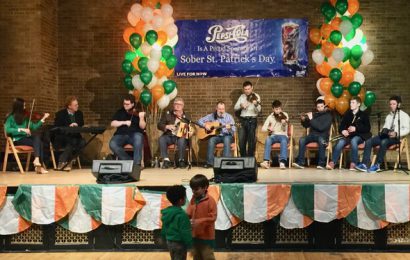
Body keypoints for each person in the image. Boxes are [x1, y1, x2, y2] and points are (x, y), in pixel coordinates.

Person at [356, 96, 410, 173]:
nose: (391, 106)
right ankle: (365, 164)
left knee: (384, 141)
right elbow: (385, 127)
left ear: (399, 105)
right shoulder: (389, 116)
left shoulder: (404, 116)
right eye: (390, 104)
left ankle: (377, 165)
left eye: (394, 104)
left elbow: (407, 129)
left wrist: (397, 133)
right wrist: (383, 130)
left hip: (396, 138)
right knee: (369, 141)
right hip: (386, 136)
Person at [4, 98, 50, 174]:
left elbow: (34, 127)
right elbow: (8, 129)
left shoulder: (25, 117)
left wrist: (43, 118)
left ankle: (37, 160)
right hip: (18, 139)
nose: (25, 107)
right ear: (19, 106)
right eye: (24, 105)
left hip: (26, 138)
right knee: (40, 143)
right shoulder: (10, 117)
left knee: (37, 138)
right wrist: (21, 129)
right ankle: (39, 167)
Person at [326, 96, 371, 170]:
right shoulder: (347, 114)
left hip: (359, 135)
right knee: (340, 142)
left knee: (354, 141)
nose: (351, 104)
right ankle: (333, 162)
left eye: (353, 103)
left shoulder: (364, 115)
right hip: (348, 136)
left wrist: (356, 128)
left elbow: (367, 128)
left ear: (358, 104)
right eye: (350, 102)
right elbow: (341, 127)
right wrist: (343, 131)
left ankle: (354, 163)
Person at [292, 99, 332, 169]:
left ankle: (321, 164)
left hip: (323, 136)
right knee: (302, 140)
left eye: (321, 106)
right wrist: (303, 120)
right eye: (318, 107)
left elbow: (321, 128)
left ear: (324, 106)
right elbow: (307, 125)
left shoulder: (328, 116)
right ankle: (300, 163)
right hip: (312, 135)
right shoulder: (315, 115)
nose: (320, 108)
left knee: (321, 140)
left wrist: (311, 119)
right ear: (316, 107)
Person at [109, 95, 146, 168]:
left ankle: (137, 164)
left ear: (132, 104)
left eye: (127, 104)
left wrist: (141, 118)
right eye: (124, 104)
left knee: (138, 138)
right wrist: (124, 122)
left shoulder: (137, 112)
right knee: (112, 144)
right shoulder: (120, 112)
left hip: (134, 134)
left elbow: (143, 127)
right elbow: (112, 123)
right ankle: (129, 161)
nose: (125, 106)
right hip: (120, 135)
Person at [186, 174, 217, 260]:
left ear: (205, 187)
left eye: (196, 189)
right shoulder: (193, 199)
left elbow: (213, 218)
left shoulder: (211, 201)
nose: (194, 192)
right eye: (192, 189)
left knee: (207, 257)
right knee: (196, 257)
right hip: (195, 236)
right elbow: (189, 212)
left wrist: (199, 221)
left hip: (207, 237)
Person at [197, 101, 236, 168]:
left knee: (226, 139)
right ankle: (210, 162)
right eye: (220, 109)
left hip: (227, 136)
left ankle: (225, 162)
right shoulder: (211, 116)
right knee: (211, 140)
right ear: (216, 108)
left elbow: (233, 130)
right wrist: (205, 125)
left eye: (223, 109)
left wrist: (229, 129)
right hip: (217, 136)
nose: (221, 111)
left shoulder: (229, 117)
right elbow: (199, 121)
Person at [53, 96, 86, 171]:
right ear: (69, 106)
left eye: (77, 104)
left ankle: (70, 159)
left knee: (83, 142)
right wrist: (68, 126)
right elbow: (57, 126)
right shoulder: (60, 114)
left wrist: (77, 124)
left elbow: (81, 123)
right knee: (73, 141)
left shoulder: (79, 113)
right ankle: (62, 162)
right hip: (63, 137)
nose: (77, 106)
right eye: (75, 105)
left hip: (75, 136)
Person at [158, 97, 192, 169]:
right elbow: (159, 125)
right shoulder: (167, 114)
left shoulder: (186, 116)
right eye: (176, 104)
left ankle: (181, 160)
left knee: (182, 140)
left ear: (183, 106)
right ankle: (166, 160)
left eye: (180, 104)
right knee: (162, 139)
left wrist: (190, 131)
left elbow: (192, 127)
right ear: (173, 105)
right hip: (169, 136)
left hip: (180, 137)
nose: (178, 106)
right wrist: (167, 126)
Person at [161, 185, 193, 260]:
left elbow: (164, 227)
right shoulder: (182, 215)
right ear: (181, 200)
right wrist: (191, 245)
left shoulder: (167, 212)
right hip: (179, 243)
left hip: (169, 242)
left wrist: (163, 236)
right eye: (185, 197)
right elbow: (185, 232)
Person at [234, 81, 261, 157]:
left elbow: (259, 110)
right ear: (243, 89)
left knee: (251, 141)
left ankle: (250, 159)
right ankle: (243, 158)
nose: (247, 91)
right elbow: (235, 108)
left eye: (249, 89)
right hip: (242, 120)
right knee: (241, 141)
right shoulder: (242, 96)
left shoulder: (256, 96)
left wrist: (256, 104)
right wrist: (241, 106)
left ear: (252, 87)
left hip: (252, 120)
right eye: (245, 89)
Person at [260, 100, 289, 169]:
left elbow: (285, 129)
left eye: (279, 109)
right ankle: (266, 161)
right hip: (273, 135)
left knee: (284, 141)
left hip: (283, 135)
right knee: (268, 139)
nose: (278, 111)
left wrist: (284, 123)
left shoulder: (285, 115)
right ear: (273, 109)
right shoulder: (270, 117)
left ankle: (282, 162)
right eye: (276, 109)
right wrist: (268, 129)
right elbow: (263, 128)